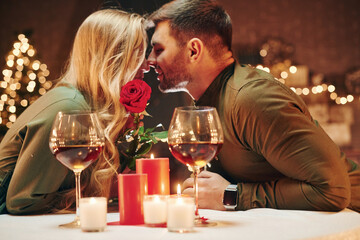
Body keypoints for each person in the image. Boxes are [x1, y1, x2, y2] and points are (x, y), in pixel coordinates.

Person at [146, 0, 360, 212]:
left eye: (158, 49)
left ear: (193, 51)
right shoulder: (208, 100)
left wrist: (231, 195)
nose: (149, 60)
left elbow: (333, 190)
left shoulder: (252, 97)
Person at [0, 9, 149, 214]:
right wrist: (88, 192)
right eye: (138, 52)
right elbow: (23, 203)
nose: (147, 65)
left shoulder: (83, 103)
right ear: (113, 56)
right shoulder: (70, 108)